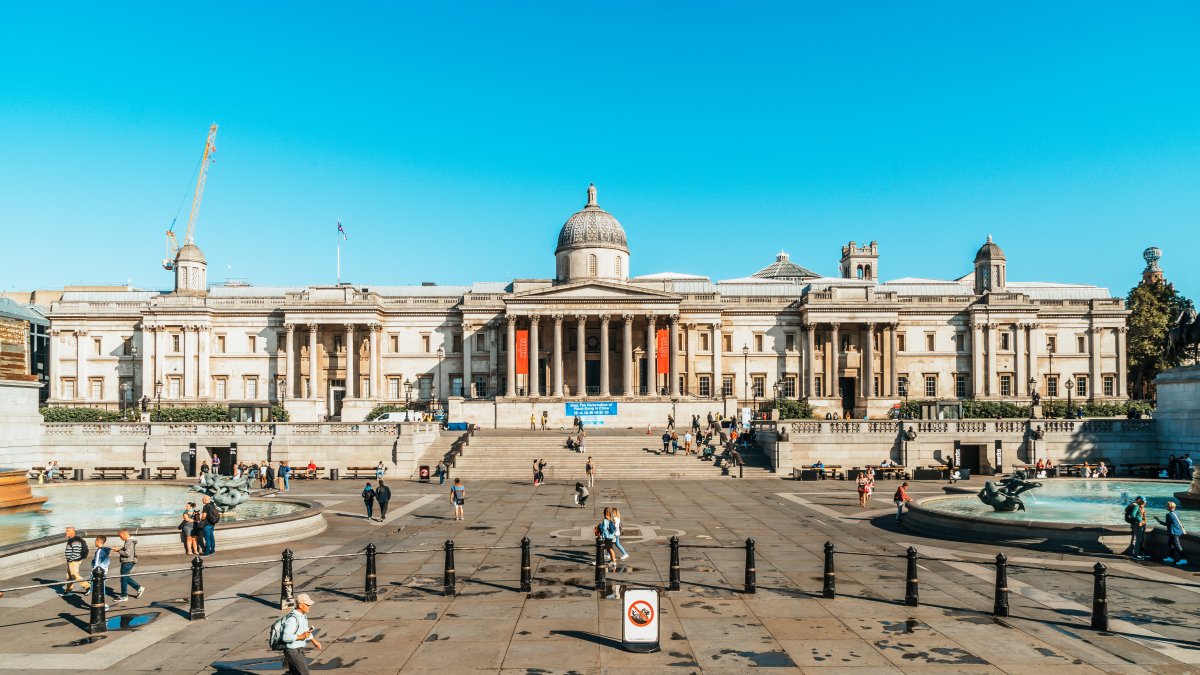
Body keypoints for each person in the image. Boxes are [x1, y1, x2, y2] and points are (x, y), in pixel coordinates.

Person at [279, 592, 323, 674]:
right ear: (300, 605)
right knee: (304, 672)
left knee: (295, 672)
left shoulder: (303, 615)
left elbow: (306, 629)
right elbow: (285, 637)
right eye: (307, 605)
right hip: (292, 650)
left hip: (298, 648)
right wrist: (301, 637)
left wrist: (314, 641)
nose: (310, 607)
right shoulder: (292, 619)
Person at [112, 528, 144, 602]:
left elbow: (128, 553)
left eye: (121, 536)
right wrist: (120, 549)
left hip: (127, 562)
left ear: (125, 534)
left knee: (123, 578)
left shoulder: (129, 542)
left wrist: (118, 551)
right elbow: (128, 550)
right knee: (124, 578)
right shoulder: (130, 541)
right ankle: (138, 588)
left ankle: (124, 596)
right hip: (130, 561)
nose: (121, 538)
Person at [1157, 501, 1188, 565]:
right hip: (1178, 531)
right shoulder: (1177, 513)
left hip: (1173, 532)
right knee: (1170, 545)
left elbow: (1167, 524)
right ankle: (1171, 558)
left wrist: (1159, 521)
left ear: (1169, 507)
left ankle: (1184, 559)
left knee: (1177, 546)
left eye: (1167, 506)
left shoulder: (1168, 514)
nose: (1166, 507)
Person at [63, 527, 90, 595]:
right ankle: (68, 590)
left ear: (73, 532)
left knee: (74, 575)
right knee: (69, 576)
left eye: (67, 531)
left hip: (74, 561)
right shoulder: (72, 539)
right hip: (71, 561)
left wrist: (70, 559)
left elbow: (76, 552)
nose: (66, 532)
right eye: (66, 531)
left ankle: (88, 586)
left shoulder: (75, 541)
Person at [91, 535, 112, 606]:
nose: (94, 542)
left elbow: (97, 563)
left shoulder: (99, 551)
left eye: (95, 540)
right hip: (104, 570)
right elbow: (108, 561)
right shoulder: (105, 550)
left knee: (98, 589)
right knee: (101, 587)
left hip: (98, 572)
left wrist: (93, 571)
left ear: (98, 541)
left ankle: (102, 604)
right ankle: (102, 603)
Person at [1124, 496, 1146, 560]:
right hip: (1137, 524)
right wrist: (1139, 520)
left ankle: (1134, 553)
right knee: (1138, 540)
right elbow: (1133, 515)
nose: (1144, 502)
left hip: (1134, 524)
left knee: (1136, 539)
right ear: (1139, 500)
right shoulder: (1136, 506)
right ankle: (1135, 555)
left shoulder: (1133, 505)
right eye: (1143, 500)